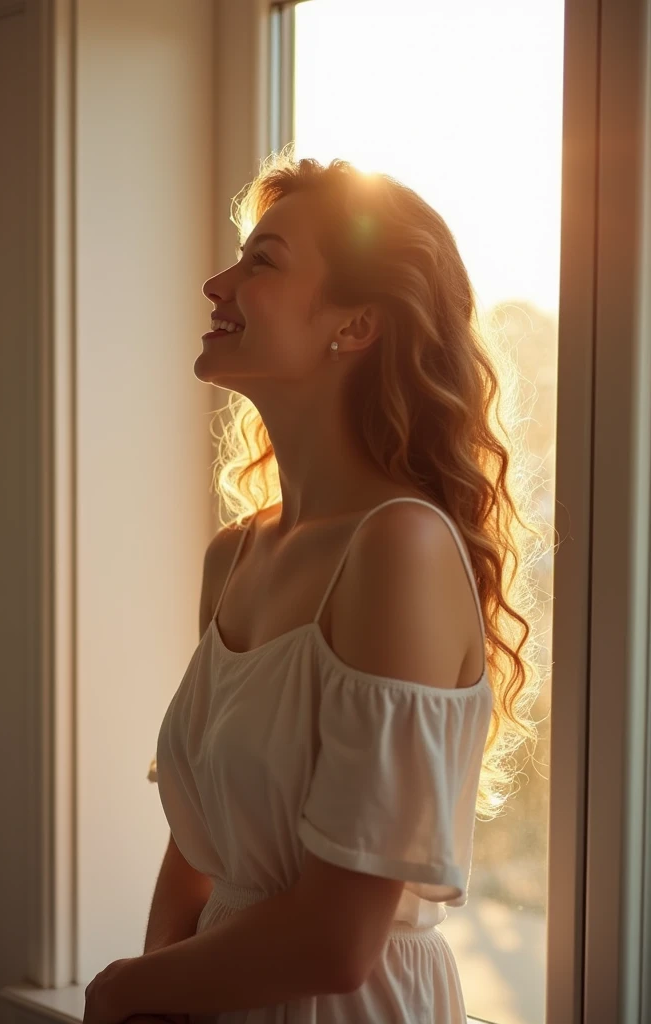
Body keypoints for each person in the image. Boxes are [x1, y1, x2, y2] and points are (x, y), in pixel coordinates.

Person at [148, 149, 544, 1023]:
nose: (217, 284)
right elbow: (195, 855)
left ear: (355, 326)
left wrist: (123, 991)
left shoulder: (399, 549)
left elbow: (337, 941)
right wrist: (153, 998)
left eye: (262, 262)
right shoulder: (235, 557)